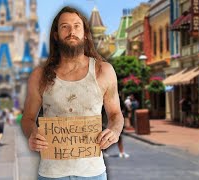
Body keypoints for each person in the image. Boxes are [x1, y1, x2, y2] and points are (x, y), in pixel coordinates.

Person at [21, 6, 124, 179]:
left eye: (77, 26)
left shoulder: (103, 71)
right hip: (51, 173)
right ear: (56, 35)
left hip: (93, 173)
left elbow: (115, 114)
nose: (71, 31)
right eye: (64, 26)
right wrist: (32, 134)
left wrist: (114, 131)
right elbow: (28, 118)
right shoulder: (39, 75)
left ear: (85, 33)